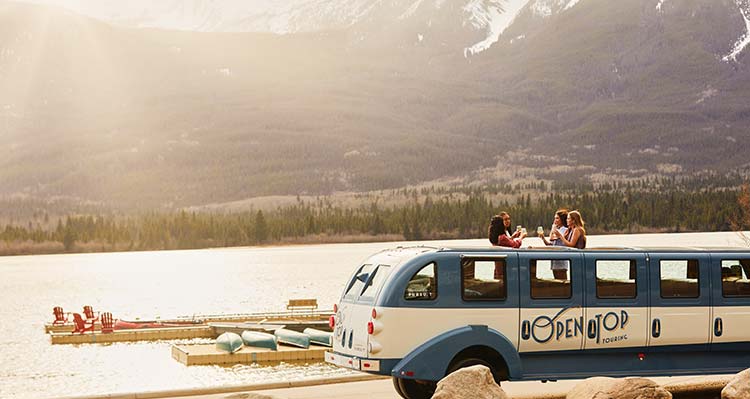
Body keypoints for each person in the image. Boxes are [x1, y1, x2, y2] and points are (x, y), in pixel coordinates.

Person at [539, 209, 569, 279]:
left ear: (562, 219)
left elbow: (552, 238)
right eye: (555, 218)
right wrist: (543, 238)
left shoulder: (565, 229)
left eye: (557, 218)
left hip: (561, 259)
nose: (555, 220)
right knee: (557, 281)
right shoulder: (557, 230)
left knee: (563, 281)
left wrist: (553, 228)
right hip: (554, 260)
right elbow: (550, 244)